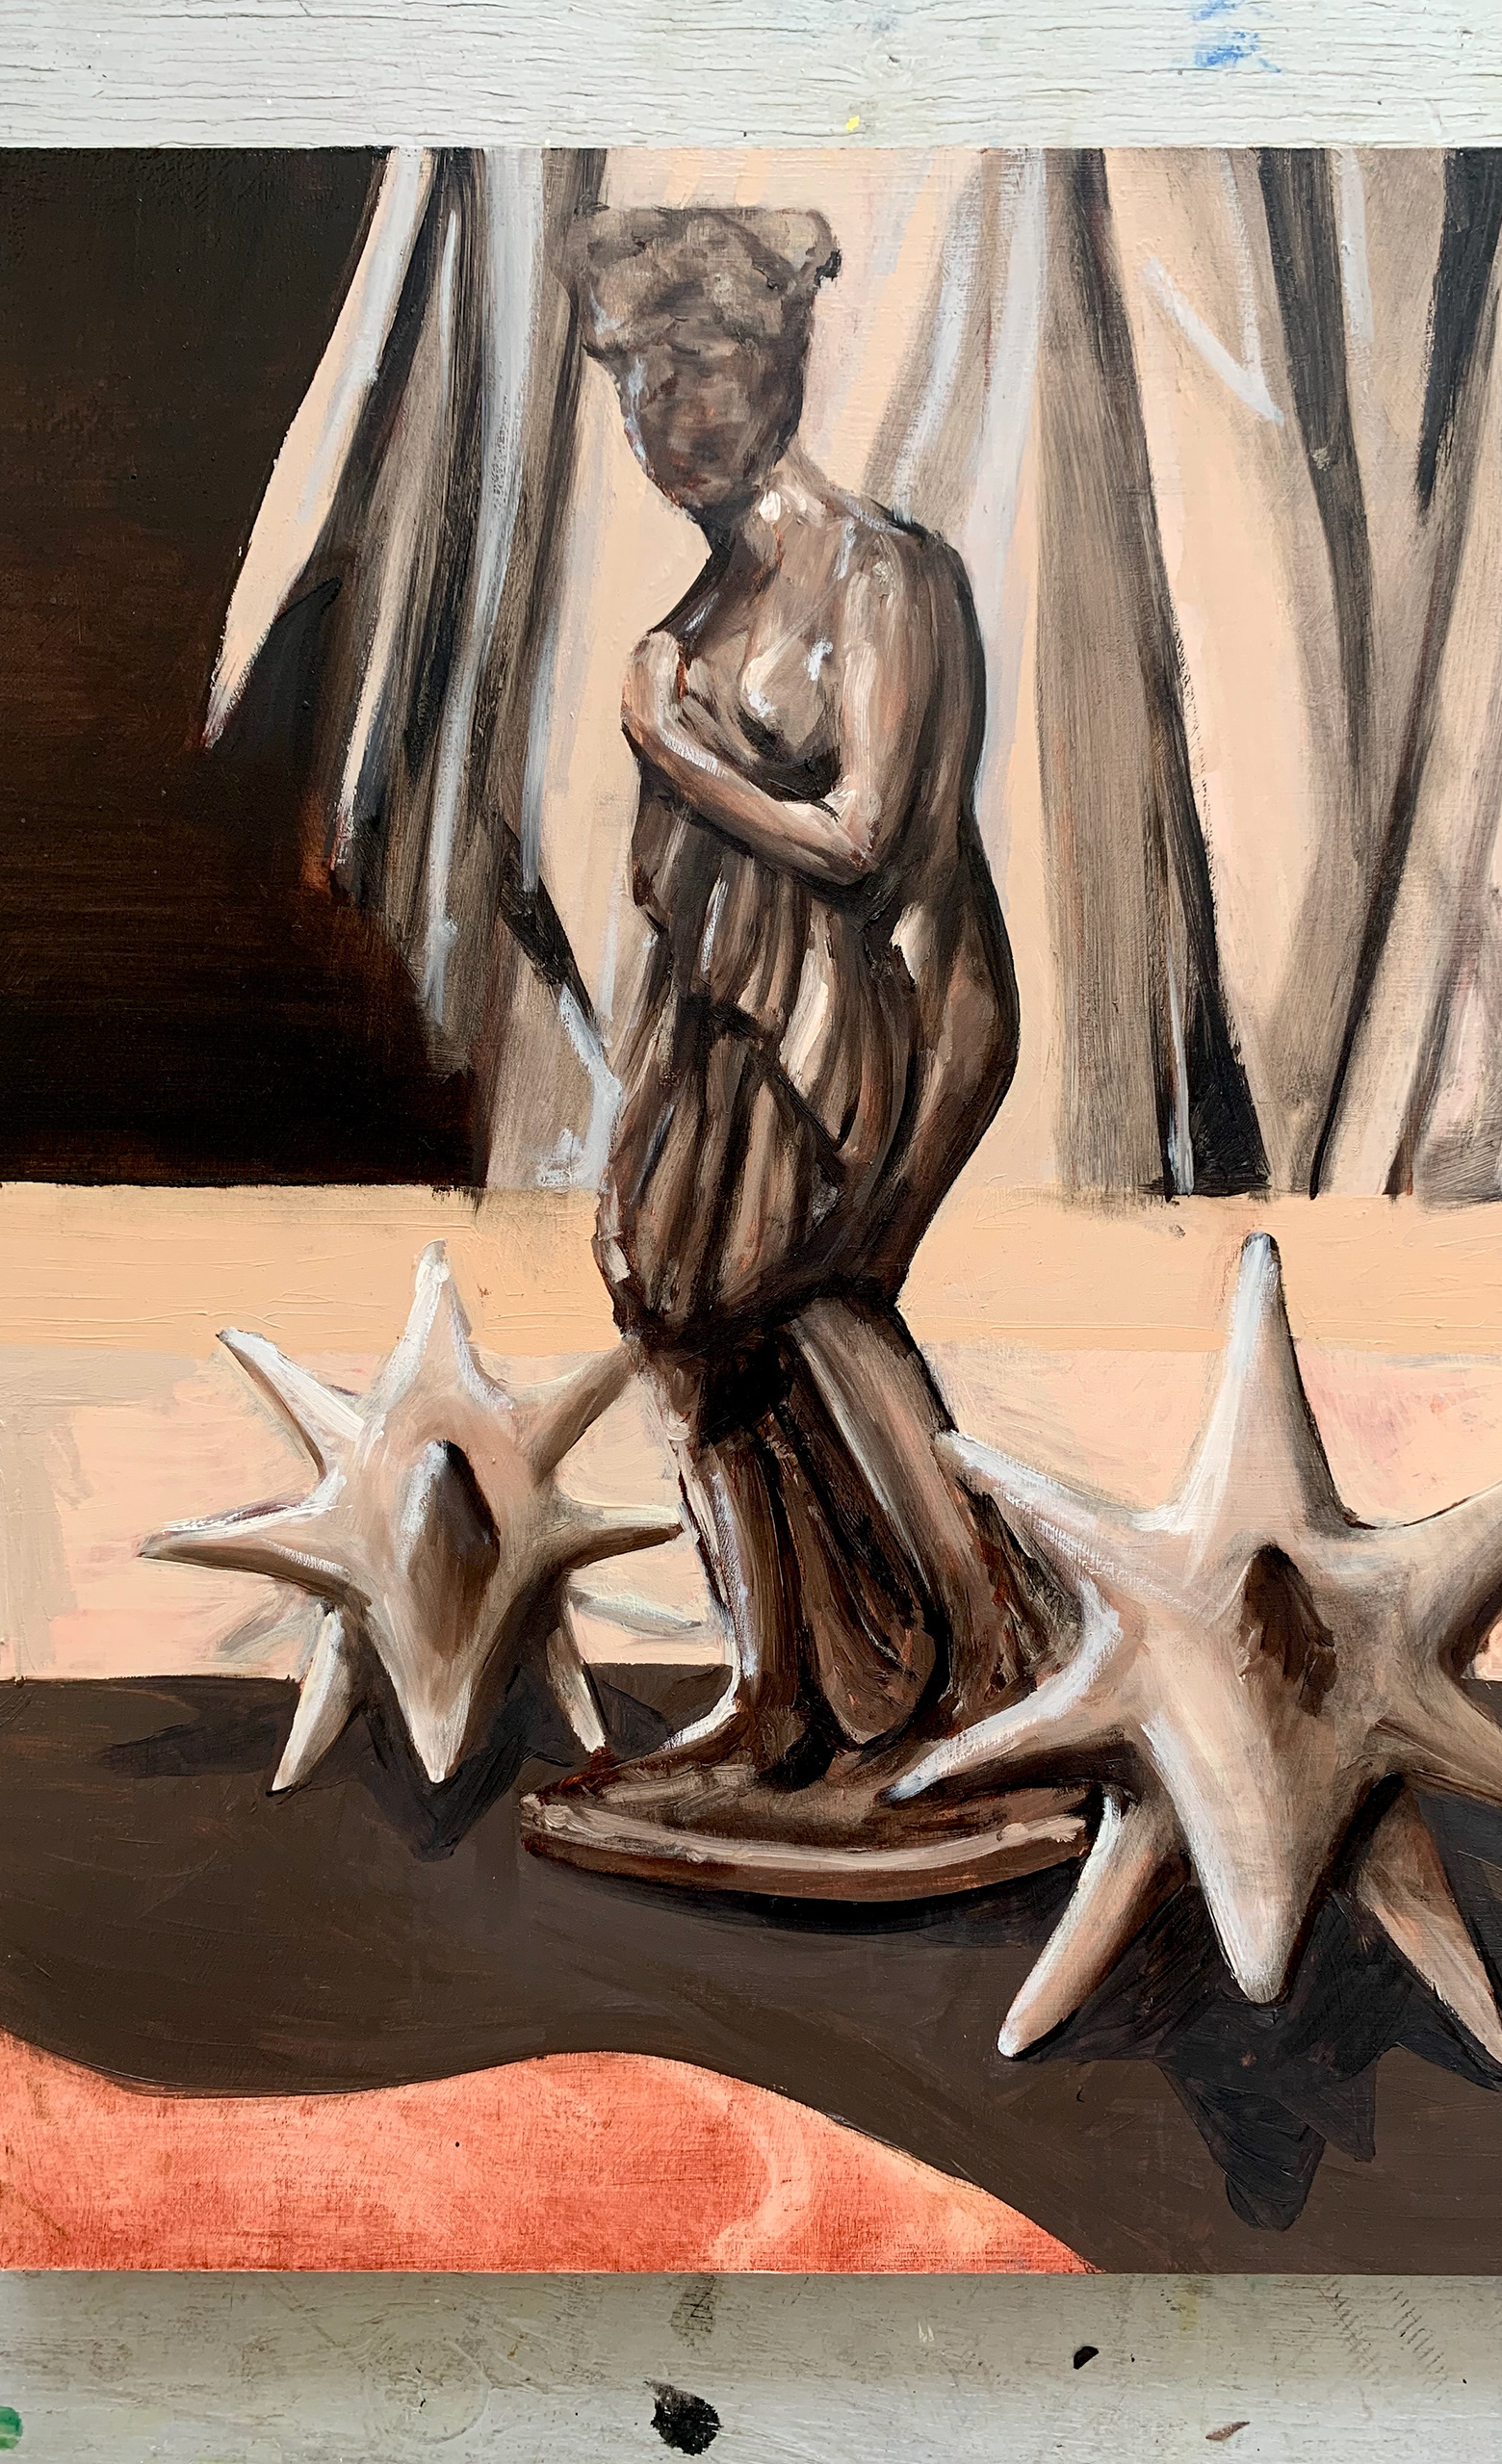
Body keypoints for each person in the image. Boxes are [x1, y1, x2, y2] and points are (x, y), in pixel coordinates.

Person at [535, 204, 1075, 1881]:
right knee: (688, 1323)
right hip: (743, 1024)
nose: (665, 414)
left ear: (777, 365)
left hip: (894, 1008)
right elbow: (693, 906)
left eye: (695, 368)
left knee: (809, 1301)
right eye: (636, 381)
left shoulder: (884, 575)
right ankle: (781, 1705)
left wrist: (671, 749)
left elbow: (868, 840)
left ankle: (989, 1687)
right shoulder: (697, 618)